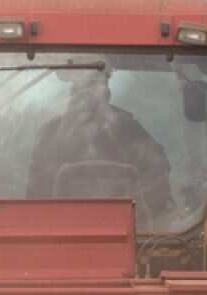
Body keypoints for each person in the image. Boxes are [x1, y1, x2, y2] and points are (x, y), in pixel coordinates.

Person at [26, 69, 173, 216]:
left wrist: (114, 123)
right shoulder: (50, 133)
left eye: (101, 83)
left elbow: (159, 179)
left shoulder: (129, 128)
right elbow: (36, 194)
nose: (98, 91)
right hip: (60, 222)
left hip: (128, 223)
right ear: (73, 90)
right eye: (89, 84)